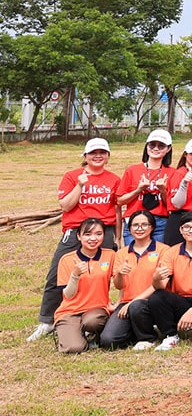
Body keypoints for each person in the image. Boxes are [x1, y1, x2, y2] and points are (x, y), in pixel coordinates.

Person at [28, 137, 121, 343]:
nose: (98, 156)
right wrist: (79, 185)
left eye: (102, 152)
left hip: (103, 230)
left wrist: (118, 236)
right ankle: (47, 320)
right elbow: (66, 205)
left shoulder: (114, 179)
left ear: (108, 156)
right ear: (85, 156)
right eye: (93, 153)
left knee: (101, 275)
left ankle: (95, 315)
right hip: (76, 230)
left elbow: (117, 210)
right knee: (56, 274)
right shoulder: (72, 176)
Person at [129, 210, 192, 350]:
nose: (191, 230)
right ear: (180, 230)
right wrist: (156, 279)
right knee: (158, 297)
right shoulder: (171, 252)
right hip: (181, 299)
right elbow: (160, 286)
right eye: (187, 227)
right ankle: (170, 335)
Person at [51, 217, 115, 354]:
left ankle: (90, 332)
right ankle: (71, 332)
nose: (93, 238)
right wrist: (75, 275)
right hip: (70, 311)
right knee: (74, 348)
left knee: (93, 321)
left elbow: (122, 282)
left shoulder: (110, 255)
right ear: (79, 236)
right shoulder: (67, 259)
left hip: (97, 310)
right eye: (87, 234)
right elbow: (68, 295)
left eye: (98, 234)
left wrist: (118, 303)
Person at [99, 210, 161, 349]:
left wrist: (133, 302)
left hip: (152, 302)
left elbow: (160, 285)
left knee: (137, 307)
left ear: (151, 227)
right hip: (126, 302)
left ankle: (148, 337)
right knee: (108, 340)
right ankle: (133, 331)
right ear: (130, 228)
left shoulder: (163, 250)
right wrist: (120, 274)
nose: (139, 228)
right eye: (135, 225)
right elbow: (118, 285)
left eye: (144, 225)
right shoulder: (121, 253)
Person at [116, 129, 175, 244]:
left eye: (161, 146)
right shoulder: (132, 170)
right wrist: (138, 190)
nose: (156, 149)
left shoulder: (172, 173)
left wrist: (163, 190)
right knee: (133, 254)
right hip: (135, 220)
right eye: (152, 145)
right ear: (147, 146)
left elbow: (172, 207)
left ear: (168, 149)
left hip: (160, 223)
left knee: (159, 254)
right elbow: (120, 201)